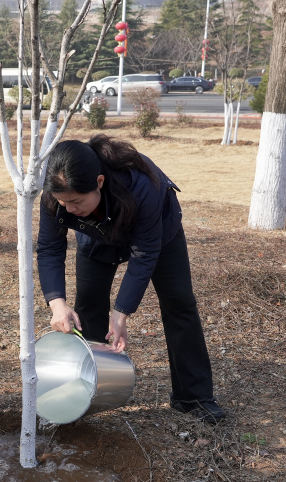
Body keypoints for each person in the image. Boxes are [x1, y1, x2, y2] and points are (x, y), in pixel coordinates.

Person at [36, 135, 226, 424]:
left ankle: (194, 396)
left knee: (179, 303)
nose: (70, 208)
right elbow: (50, 248)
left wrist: (122, 312)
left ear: (99, 182)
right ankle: (85, 392)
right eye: (64, 203)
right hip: (96, 234)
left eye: (76, 201)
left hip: (157, 233)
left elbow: (145, 254)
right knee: (87, 307)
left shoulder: (142, 186)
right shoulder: (55, 196)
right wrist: (57, 305)